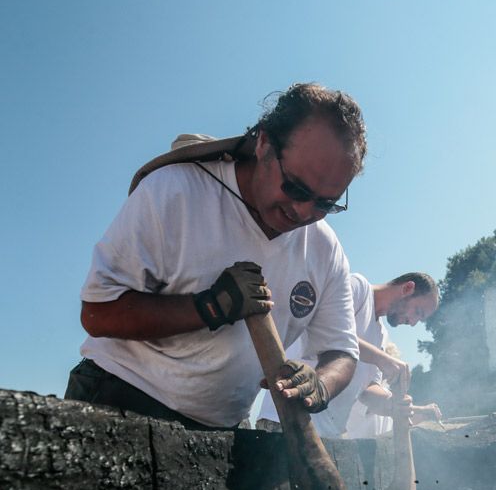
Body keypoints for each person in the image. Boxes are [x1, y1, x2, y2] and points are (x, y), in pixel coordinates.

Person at [65, 83, 367, 430]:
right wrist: (210, 307)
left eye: (325, 203)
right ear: (264, 144)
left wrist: (321, 384)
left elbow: (342, 352)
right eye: (295, 187)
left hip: (223, 427)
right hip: (120, 397)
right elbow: (98, 314)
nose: (302, 211)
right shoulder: (175, 191)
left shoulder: (325, 251)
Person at [257, 272, 442, 437]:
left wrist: (393, 405)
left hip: (328, 433)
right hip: (287, 417)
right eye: (417, 312)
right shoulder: (357, 288)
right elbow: (332, 331)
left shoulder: (381, 335)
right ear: (408, 288)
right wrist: (381, 358)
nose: (412, 323)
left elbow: (366, 390)